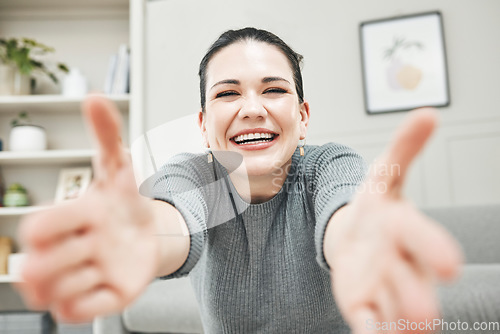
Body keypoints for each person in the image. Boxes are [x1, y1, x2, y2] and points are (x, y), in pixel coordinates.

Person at [16, 28, 462, 333]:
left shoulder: (331, 165)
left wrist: (359, 241)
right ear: (204, 123)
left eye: (274, 89)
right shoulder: (196, 176)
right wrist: (142, 238)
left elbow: (345, 216)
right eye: (227, 93)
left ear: (302, 117)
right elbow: (171, 218)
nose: (252, 107)